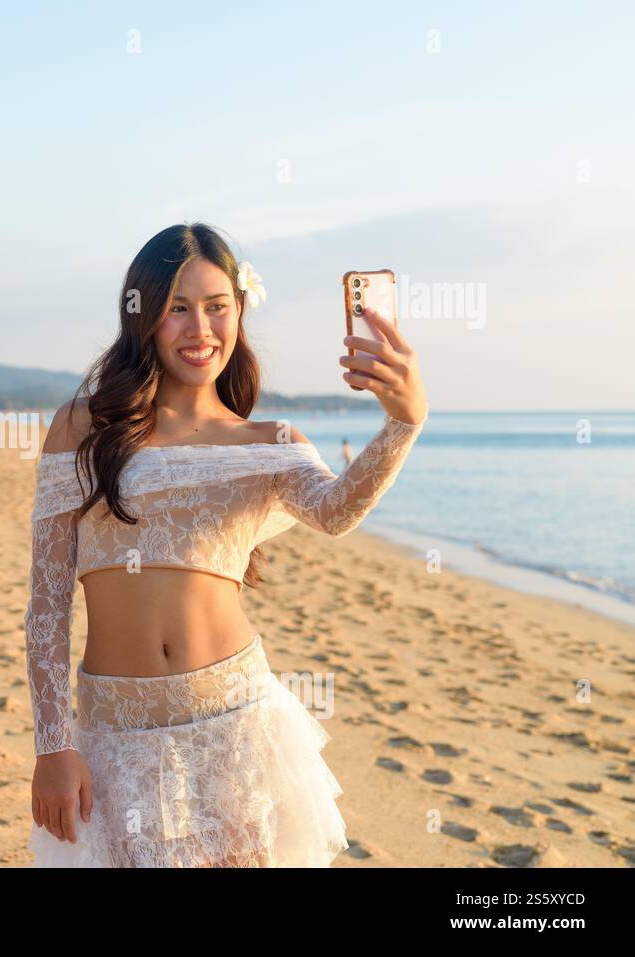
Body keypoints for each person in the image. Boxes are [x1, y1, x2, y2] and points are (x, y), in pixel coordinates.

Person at [25, 222, 428, 867]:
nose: (200, 329)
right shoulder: (82, 427)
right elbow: (46, 603)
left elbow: (335, 511)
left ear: (240, 311)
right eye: (176, 309)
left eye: (217, 308)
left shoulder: (267, 441)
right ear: (142, 316)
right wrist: (52, 745)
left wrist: (404, 424)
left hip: (235, 726)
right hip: (113, 734)